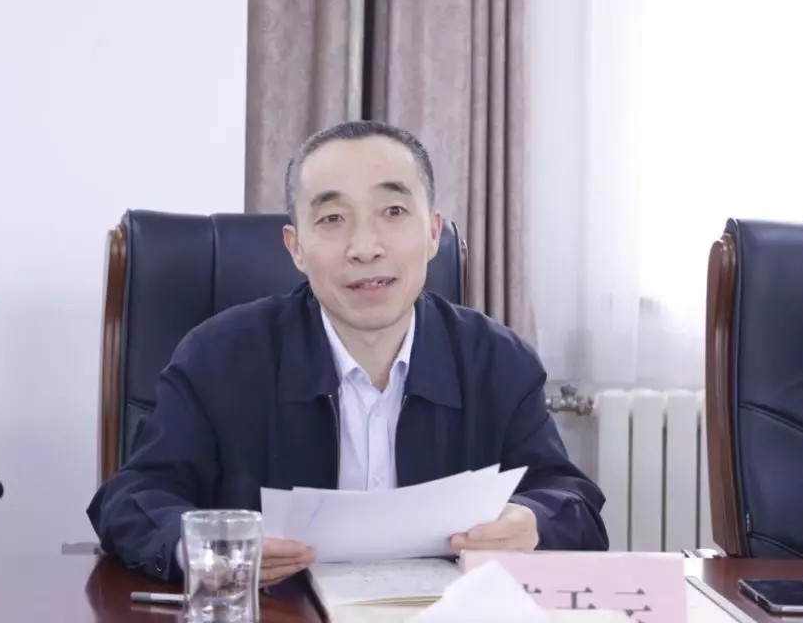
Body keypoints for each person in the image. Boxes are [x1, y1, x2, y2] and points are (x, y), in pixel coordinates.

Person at [87, 121, 608, 584]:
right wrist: (207, 549)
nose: (365, 247)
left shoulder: (496, 361)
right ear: (296, 247)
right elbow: (132, 499)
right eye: (333, 218)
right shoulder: (219, 357)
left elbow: (570, 499)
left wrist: (532, 521)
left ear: (432, 233)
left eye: (393, 211)